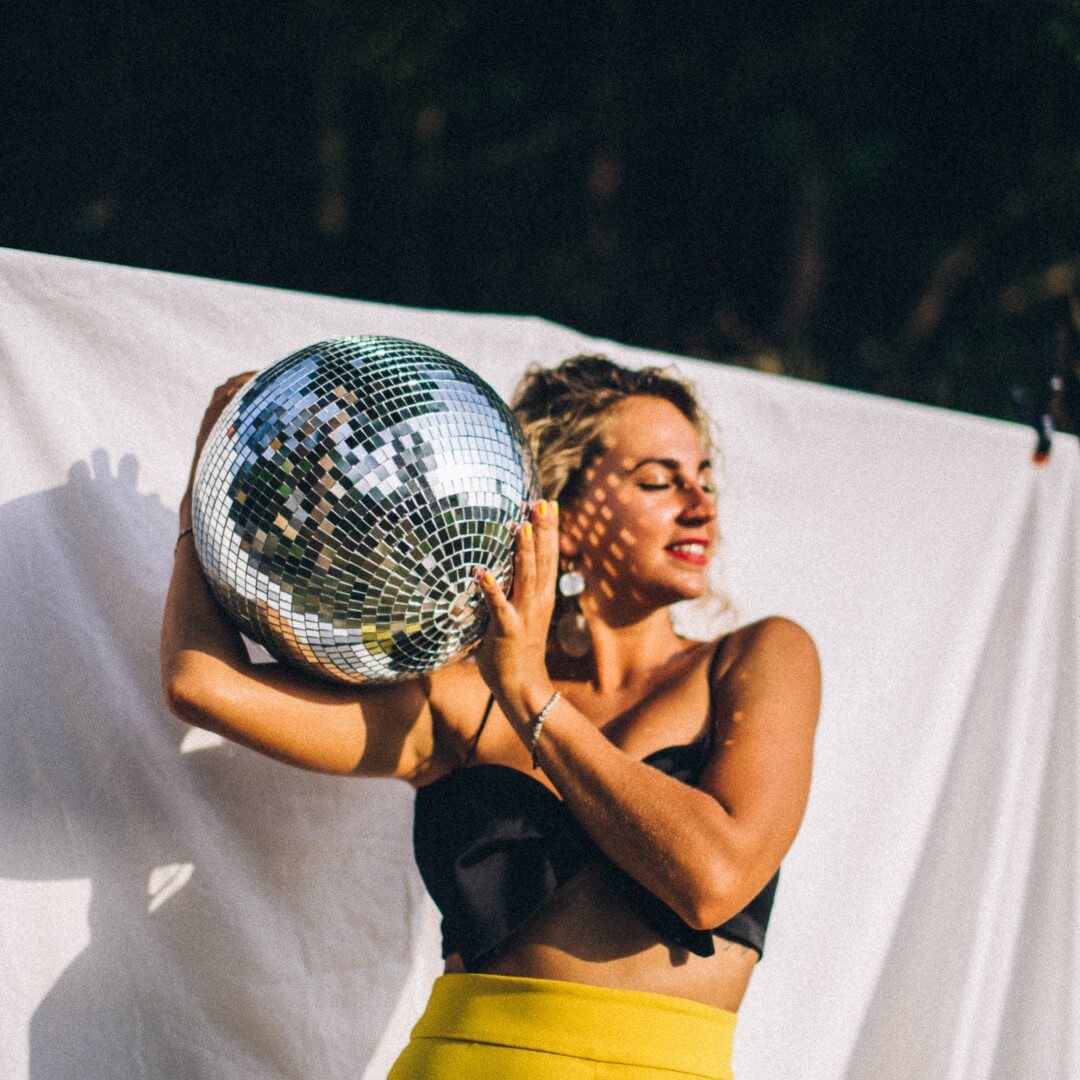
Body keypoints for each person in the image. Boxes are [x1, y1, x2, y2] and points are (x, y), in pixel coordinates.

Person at [161, 354, 820, 1080]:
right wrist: (210, 481)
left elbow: (712, 880)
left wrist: (532, 694)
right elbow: (205, 685)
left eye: (704, 479)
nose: (700, 505)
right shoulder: (458, 698)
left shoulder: (755, 658)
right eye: (659, 481)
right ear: (559, 502)